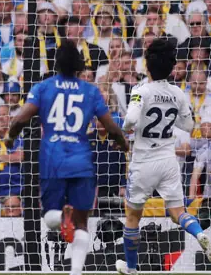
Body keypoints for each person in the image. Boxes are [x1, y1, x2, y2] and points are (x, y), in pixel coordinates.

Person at [7, 39, 128, 275]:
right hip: (81, 160)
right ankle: (75, 272)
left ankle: (63, 216)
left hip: (52, 159)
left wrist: (11, 137)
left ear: (55, 64)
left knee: (50, 217)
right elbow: (111, 127)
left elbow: (21, 119)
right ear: (79, 66)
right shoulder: (90, 91)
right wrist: (122, 143)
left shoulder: (43, 87)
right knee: (83, 222)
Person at [116, 38, 211, 275]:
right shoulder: (177, 93)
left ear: (147, 65)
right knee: (178, 213)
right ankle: (201, 234)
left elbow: (131, 120)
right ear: (172, 67)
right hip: (168, 160)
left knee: (132, 216)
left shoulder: (140, 91)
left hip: (143, 162)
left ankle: (131, 269)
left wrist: (125, 129)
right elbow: (189, 124)